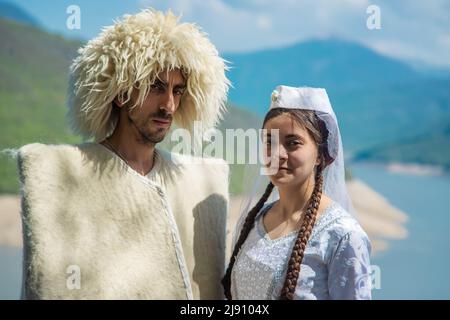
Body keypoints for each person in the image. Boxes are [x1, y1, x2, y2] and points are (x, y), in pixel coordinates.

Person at [17, 9, 230, 299]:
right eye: (156, 86)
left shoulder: (198, 183)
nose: (169, 105)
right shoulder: (64, 176)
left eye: (178, 91)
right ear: (120, 93)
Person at [222, 85, 372, 300]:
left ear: (320, 154)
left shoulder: (343, 236)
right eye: (269, 142)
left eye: (293, 143)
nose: (278, 154)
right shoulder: (254, 220)